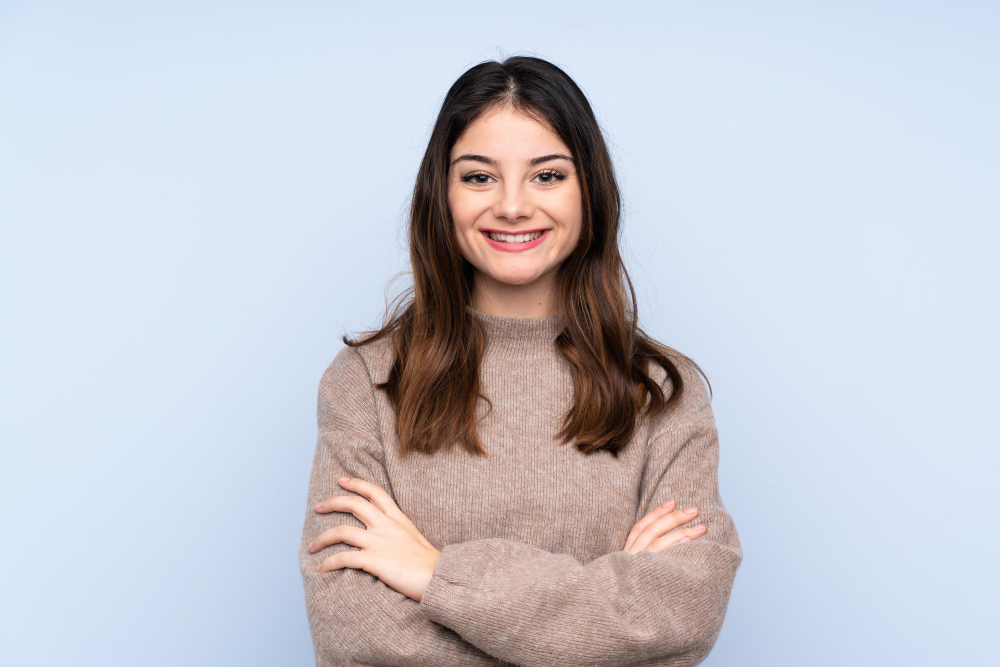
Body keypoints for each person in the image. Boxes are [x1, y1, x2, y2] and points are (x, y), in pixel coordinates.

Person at [298, 55, 743, 666]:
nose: (511, 206)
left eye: (547, 176)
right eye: (478, 177)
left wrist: (434, 575)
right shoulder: (366, 384)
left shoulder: (663, 390)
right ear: (442, 193)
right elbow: (355, 637)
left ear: (590, 190)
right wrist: (603, 620)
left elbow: (681, 615)